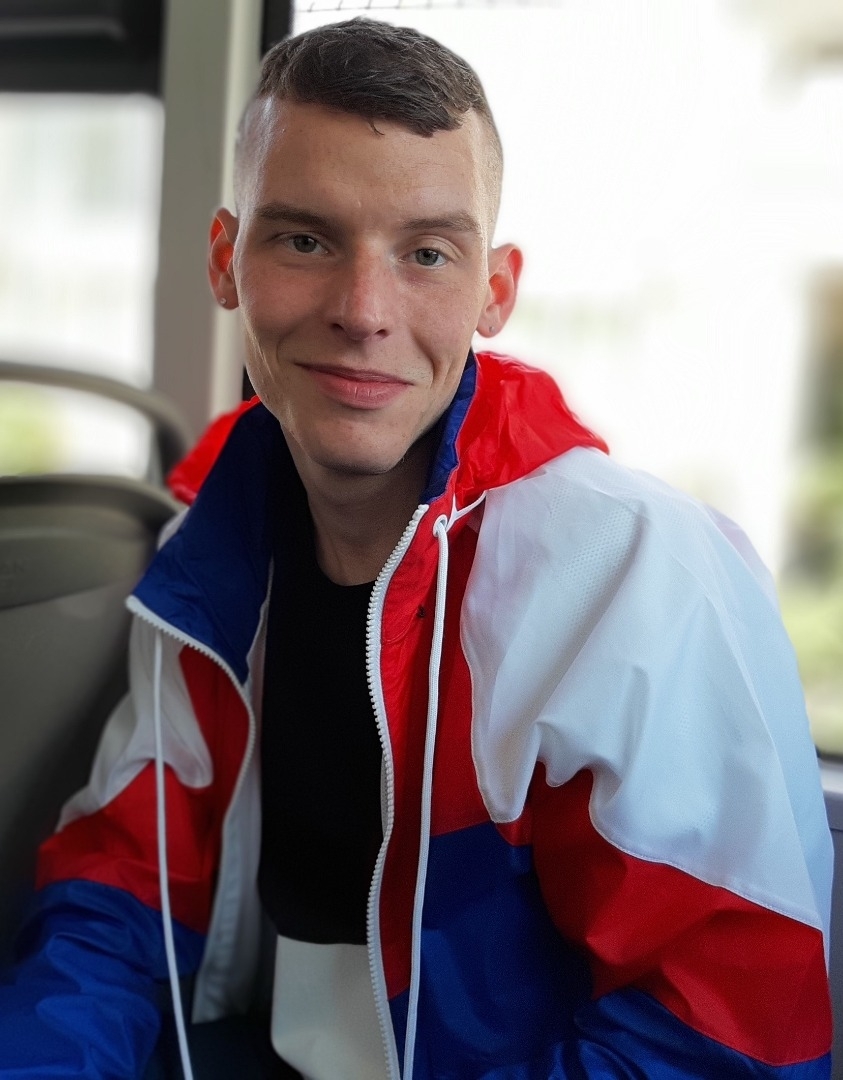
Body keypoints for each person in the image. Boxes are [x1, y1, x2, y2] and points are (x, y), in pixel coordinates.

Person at [0, 17, 833, 1080]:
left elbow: (725, 1042)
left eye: (427, 254)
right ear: (225, 260)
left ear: (496, 291)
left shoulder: (632, 578)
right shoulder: (211, 556)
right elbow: (124, 891)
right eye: (305, 241)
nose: (363, 312)